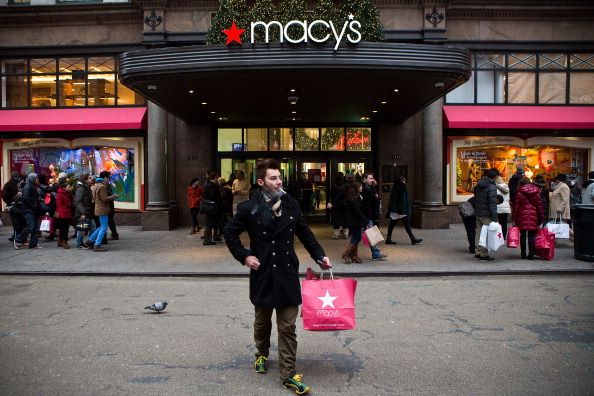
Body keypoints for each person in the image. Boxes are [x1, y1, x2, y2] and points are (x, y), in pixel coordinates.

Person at [223, 159, 331, 395]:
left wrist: (319, 256)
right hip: (262, 273)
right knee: (262, 323)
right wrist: (244, 257)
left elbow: (304, 232)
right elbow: (229, 232)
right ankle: (261, 353)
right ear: (261, 182)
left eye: (279, 177)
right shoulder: (248, 209)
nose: (279, 181)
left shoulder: (291, 204)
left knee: (288, 327)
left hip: (286, 272)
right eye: (273, 178)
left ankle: (289, 374)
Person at [513, 177, 545, 260]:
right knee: (532, 236)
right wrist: (541, 218)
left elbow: (516, 207)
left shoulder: (519, 192)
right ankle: (531, 254)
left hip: (521, 215)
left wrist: (514, 218)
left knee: (523, 235)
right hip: (534, 215)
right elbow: (540, 207)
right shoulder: (537, 192)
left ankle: (523, 254)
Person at [84, 175, 118, 252]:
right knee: (104, 227)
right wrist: (113, 196)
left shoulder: (94, 187)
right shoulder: (102, 187)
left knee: (101, 226)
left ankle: (90, 241)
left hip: (98, 208)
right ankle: (97, 244)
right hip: (103, 209)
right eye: (105, 180)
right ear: (102, 181)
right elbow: (104, 199)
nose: (106, 181)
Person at [385, 176, 422, 245]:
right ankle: (412, 239)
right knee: (406, 224)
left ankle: (388, 238)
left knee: (392, 224)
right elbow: (402, 200)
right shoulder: (402, 187)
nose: (405, 181)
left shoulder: (395, 187)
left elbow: (393, 199)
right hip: (401, 211)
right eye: (404, 180)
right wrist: (402, 210)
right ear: (402, 181)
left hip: (396, 210)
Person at [473, 168, 500, 261]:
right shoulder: (492, 187)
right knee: (486, 234)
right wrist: (495, 218)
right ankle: (484, 254)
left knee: (478, 233)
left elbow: (476, 196)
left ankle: (478, 252)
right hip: (487, 214)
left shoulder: (479, 184)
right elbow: (492, 203)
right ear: (495, 177)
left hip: (479, 212)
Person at [361, 172, 387, 261]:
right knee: (358, 237)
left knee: (371, 235)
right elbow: (366, 204)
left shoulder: (371, 189)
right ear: (364, 180)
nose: (372, 180)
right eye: (369, 178)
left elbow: (375, 200)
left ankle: (376, 253)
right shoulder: (362, 189)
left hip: (369, 216)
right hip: (365, 216)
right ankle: (375, 253)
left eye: (372, 178)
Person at [14, 172, 42, 250]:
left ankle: (33, 244)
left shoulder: (33, 186)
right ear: (32, 179)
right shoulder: (28, 186)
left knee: (35, 227)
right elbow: (26, 198)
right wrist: (34, 206)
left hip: (34, 210)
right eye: (36, 178)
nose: (38, 179)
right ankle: (17, 240)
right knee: (30, 226)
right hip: (29, 210)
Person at [342, 181, 367, 263]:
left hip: (352, 220)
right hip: (354, 220)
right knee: (357, 237)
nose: (362, 188)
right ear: (357, 188)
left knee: (355, 237)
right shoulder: (355, 198)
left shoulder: (355, 196)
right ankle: (346, 254)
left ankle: (354, 255)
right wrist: (364, 218)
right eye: (361, 187)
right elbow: (357, 210)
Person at [74, 174, 96, 249]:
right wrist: (82, 212)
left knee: (92, 227)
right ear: (85, 180)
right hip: (83, 212)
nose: (91, 179)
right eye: (89, 178)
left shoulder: (86, 187)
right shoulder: (81, 188)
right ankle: (80, 243)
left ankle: (90, 242)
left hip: (88, 211)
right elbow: (78, 201)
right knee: (82, 227)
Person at [54, 172, 74, 249]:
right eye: (68, 186)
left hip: (66, 212)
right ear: (64, 187)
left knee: (63, 228)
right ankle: (64, 242)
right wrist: (69, 204)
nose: (70, 188)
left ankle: (60, 241)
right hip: (63, 213)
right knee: (64, 229)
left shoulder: (67, 193)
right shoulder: (61, 193)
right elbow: (60, 204)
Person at [202, 170, 222, 246]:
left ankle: (211, 238)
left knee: (211, 223)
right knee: (209, 224)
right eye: (217, 176)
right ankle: (207, 240)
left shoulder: (207, 184)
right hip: (212, 207)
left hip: (209, 207)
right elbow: (213, 196)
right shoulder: (213, 185)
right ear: (215, 177)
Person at [327, 172, 348, 239]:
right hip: (344, 205)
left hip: (335, 204)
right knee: (345, 219)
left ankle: (335, 234)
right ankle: (345, 234)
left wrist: (331, 202)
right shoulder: (345, 185)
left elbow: (331, 195)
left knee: (336, 220)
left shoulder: (334, 186)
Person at [2, 171, 21, 242]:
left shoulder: (7, 184)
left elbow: (4, 195)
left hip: (11, 205)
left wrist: (7, 201)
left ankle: (15, 235)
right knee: (17, 221)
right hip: (17, 205)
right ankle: (16, 235)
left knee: (15, 221)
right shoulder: (17, 185)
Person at [495, 175, 511, 240]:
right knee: (504, 222)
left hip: (498, 207)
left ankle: (498, 236)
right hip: (505, 207)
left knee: (496, 222)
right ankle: (503, 236)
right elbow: (508, 198)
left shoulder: (495, 187)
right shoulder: (506, 187)